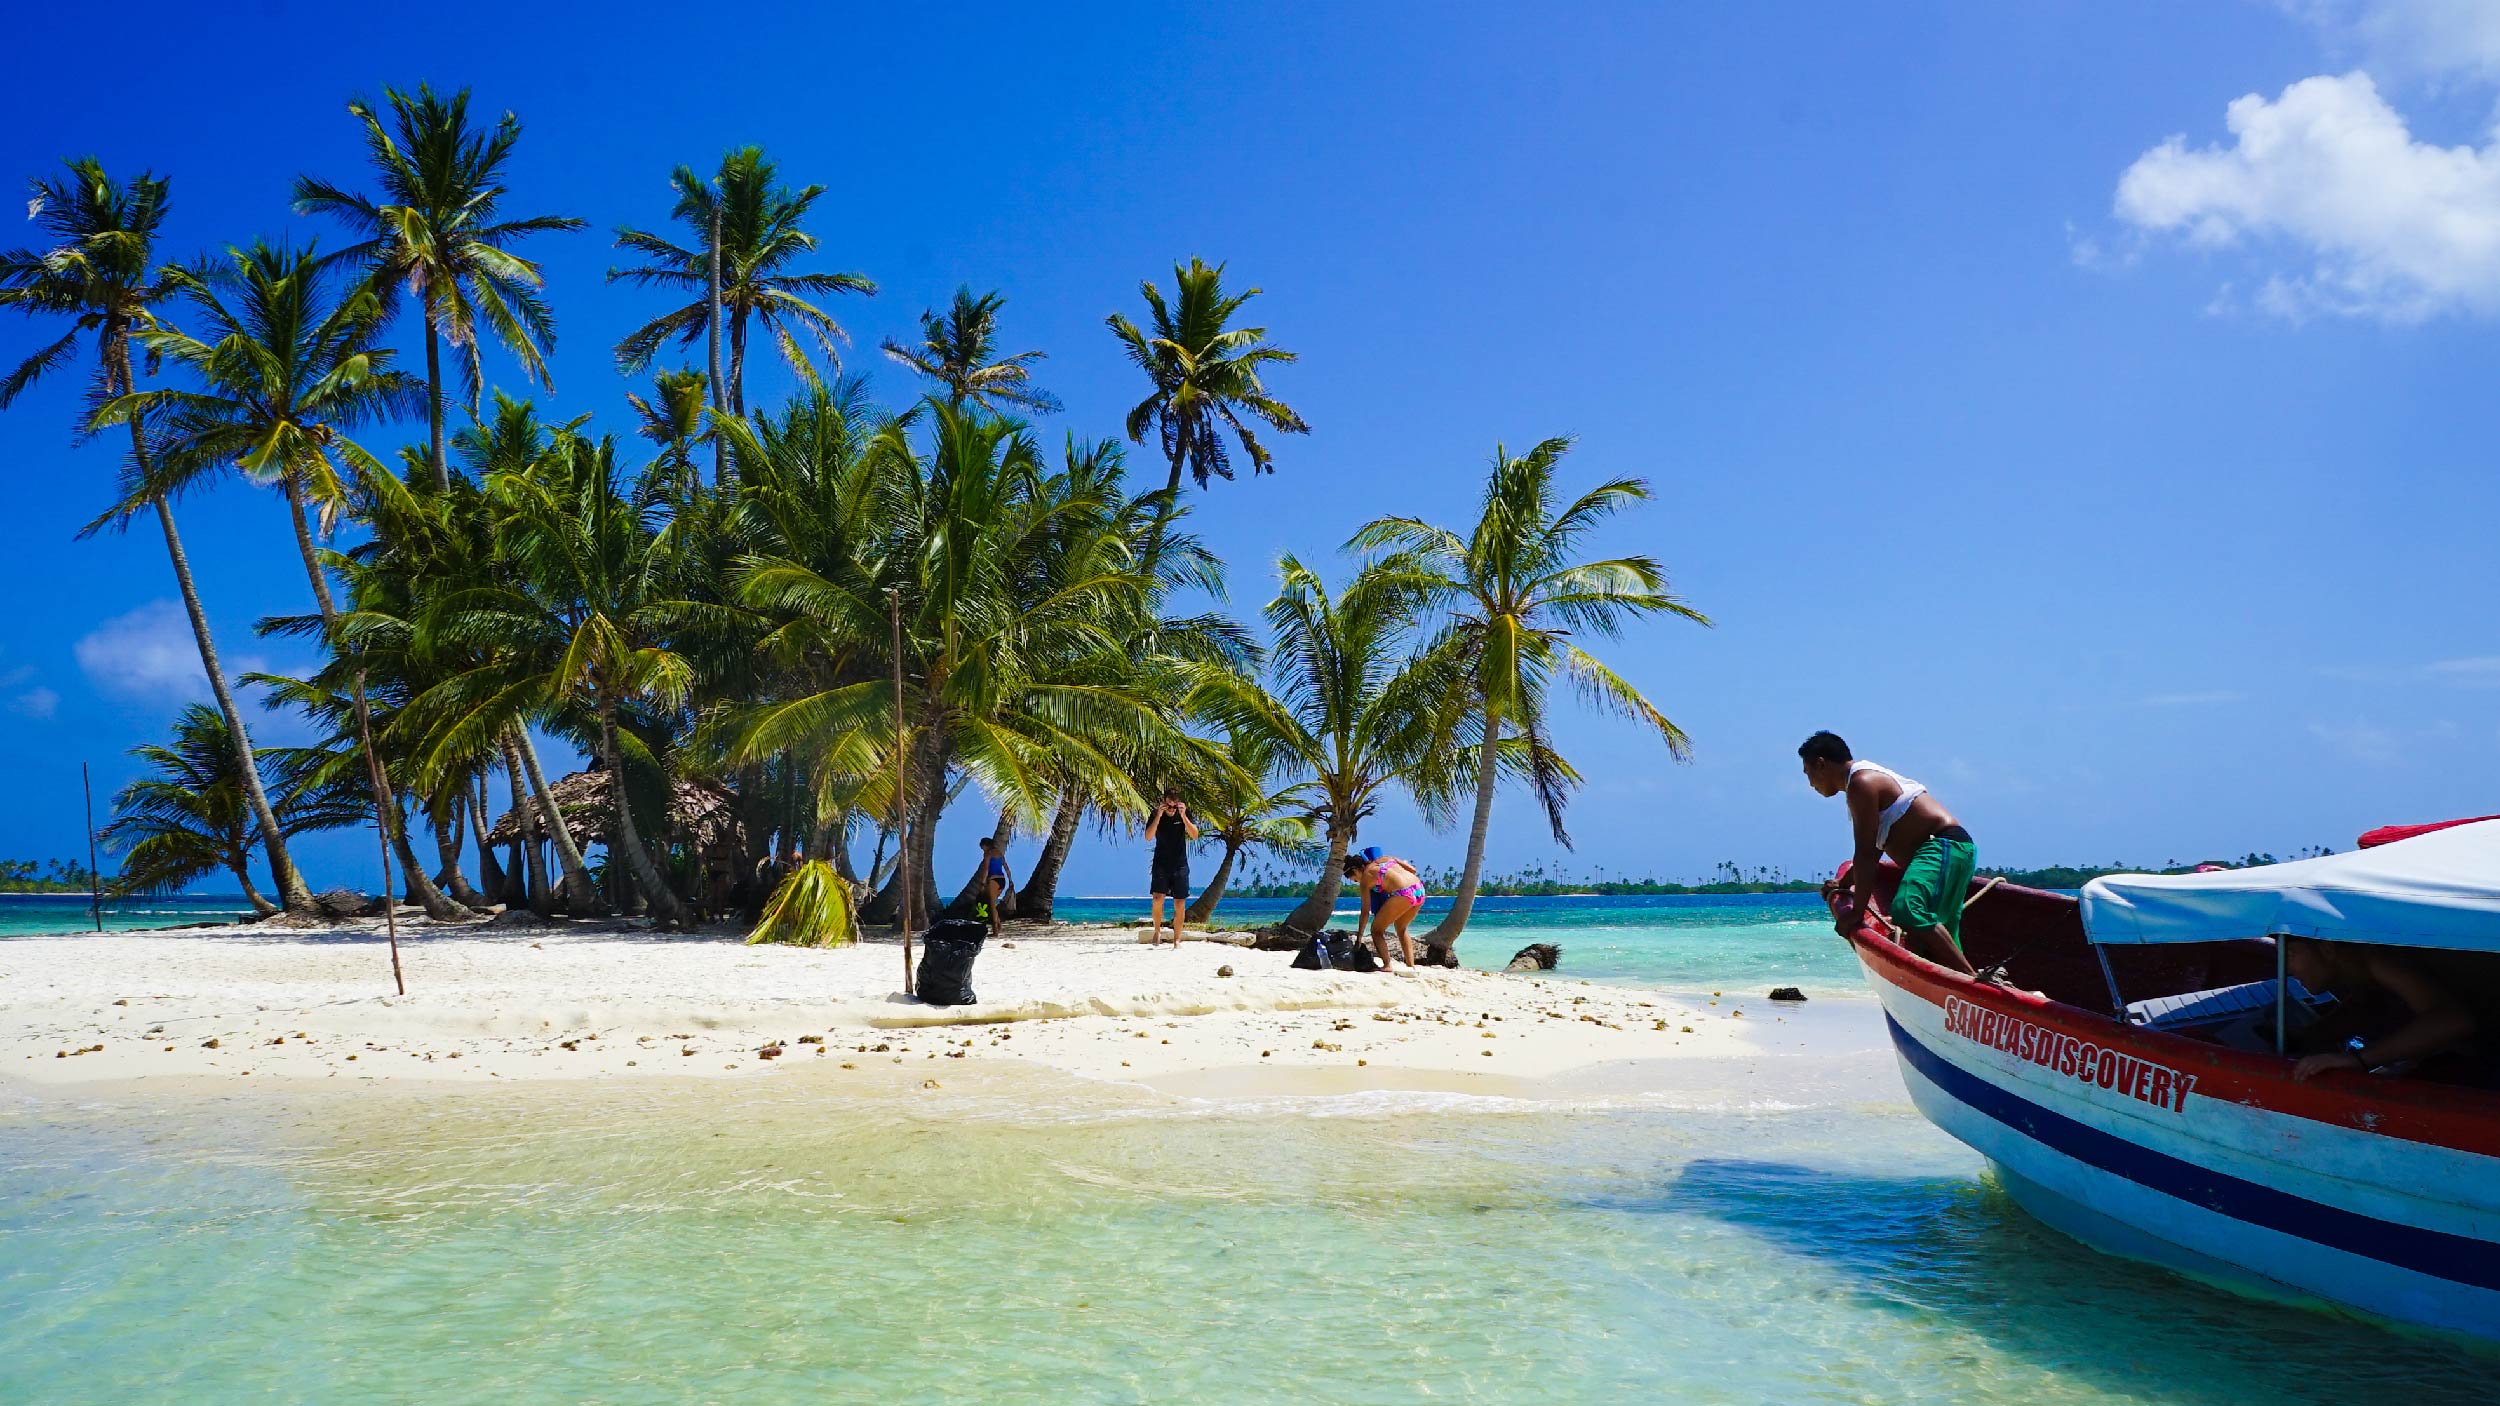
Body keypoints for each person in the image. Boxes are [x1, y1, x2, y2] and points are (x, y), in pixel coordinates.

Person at [1800, 731, 1978, 976]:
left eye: (1808, 774)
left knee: (1907, 910)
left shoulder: (1861, 783)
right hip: (1954, 851)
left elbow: (1865, 854)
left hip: (1942, 847)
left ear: (1821, 764)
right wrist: (1843, 883)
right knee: (1939, 932)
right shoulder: (1860, 783)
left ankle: (1972, 980)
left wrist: (1856, 913)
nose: (1810, 784)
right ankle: (1967, 985)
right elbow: (1871, 852)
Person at [2285, 937, 2500, 1082]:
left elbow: (2453, 1020)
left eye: (2291, 954)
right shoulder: (2359, 966)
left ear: (2327, 949)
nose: (2286, 968)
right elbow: (2366, 1005)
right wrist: (2306, 1036)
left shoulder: (2378, 957)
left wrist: (2357, 1060)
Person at [1345, 850, 1426, 972]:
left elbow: (1365, 911)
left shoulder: (1366, 878)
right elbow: (1413, 870)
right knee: (1401, 928)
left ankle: (1387, 965)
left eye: (1355, 879)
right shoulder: (1385, 858)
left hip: (1403, 894)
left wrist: (1359, 937)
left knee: (1376, 931)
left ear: (1356, 870)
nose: (1358, 882)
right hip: (1419, 889)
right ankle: (1411, 966)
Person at [1145, 789, 1197, 948]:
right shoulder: (1156, 814)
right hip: (1161, 863)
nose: (1172, 809)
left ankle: (1177, 939)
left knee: (1180, 903)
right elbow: (1148, 837)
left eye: (1175, 806)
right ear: (1164, 802)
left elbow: (1195, 835)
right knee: (1157, 899)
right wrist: (1159, 816)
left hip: (1180, 864)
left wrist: (1183, 816)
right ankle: (1157, 931)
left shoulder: (1185, 814)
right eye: (1169, 806)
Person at [969, 836, 1014, 938]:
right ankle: (998, 926)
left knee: (992, 905)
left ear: (985, 845)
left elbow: (986, 869)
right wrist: (1010, 880)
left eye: (982, 847)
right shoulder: (999, 853)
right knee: (992, 903)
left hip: (993, 880)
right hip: (1002, 880)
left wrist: (983, 882)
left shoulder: (988, 854)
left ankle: (995, 932)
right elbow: (1006, 868)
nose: (982, 849)